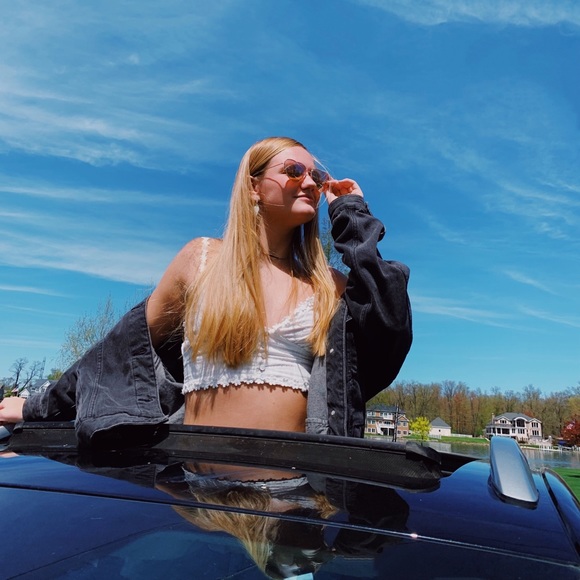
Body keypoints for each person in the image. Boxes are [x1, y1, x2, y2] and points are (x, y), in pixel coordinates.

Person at [0, 136, 412, 444]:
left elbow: (390, 321)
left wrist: (351, 214)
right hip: (200, 487)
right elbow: (117, 353)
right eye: (293, 171)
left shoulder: (328, 286)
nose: (310, 182)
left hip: (296, 490)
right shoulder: (201, 261)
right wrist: (36, 407)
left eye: (316, 176)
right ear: (253, 186)